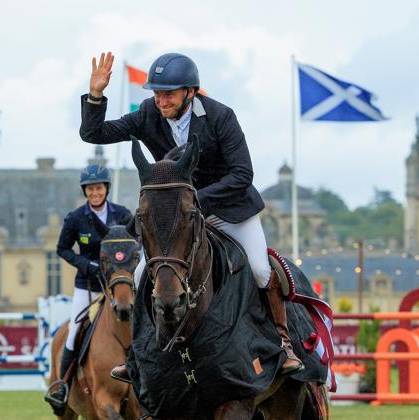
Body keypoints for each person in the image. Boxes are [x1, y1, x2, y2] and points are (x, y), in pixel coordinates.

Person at [79, 51, 304, 381]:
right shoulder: (147, 114)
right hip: (180, 220)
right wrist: (96, 95)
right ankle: (138, 355)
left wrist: (196, 200)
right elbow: (93, 134)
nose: (160, 100)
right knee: (142, 275)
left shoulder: (220, 116)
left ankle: (284, 344)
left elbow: (243, 174)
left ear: (190, 92)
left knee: (258, 269)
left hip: (229, 211)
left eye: (168, 94)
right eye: (156, 93)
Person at [45, 164, 132, 411]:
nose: (95, 193)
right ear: (86, 191)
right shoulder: (75, 219)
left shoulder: (123, 215)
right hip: (89, 286)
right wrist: (87, 265)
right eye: (91, 189)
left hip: (119, 287)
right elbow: (62, 249)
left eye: (99, 188)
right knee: (73, 331)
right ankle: (61, 385)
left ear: (106, 189)